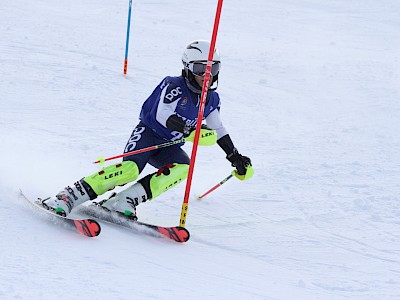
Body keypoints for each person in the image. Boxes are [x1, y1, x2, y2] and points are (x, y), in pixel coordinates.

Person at [42, 40, 253, 220]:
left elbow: (218, 128)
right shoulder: (174, 86)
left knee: (183, 168)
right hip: (148, 134)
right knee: (129, 170)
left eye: (212, 69)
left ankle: (123, 201)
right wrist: (189, 130)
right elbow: (163, 114)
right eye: (200, 69)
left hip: (169, 145)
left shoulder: (211, 99)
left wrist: (234, 156)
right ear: (188, 68)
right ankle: (67, 196)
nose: (206, 76)